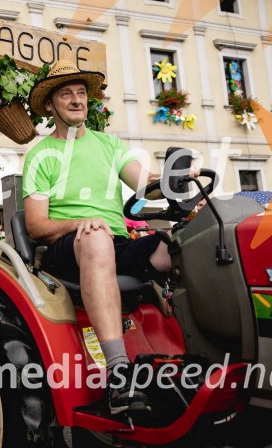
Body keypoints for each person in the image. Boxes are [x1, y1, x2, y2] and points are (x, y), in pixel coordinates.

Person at [23, 60, 170, 415]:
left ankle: (198, 355)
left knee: (179, 244)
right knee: (95, 235)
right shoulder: (41, 155)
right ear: (49, 105)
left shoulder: (109, 145)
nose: (77, 100)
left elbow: (146, 183)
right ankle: (119, 374)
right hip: (66, 250)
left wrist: (177, 178)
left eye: (81, 93)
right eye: (66, 94)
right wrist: (81, 222)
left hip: (115, 243)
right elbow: (36, 226)